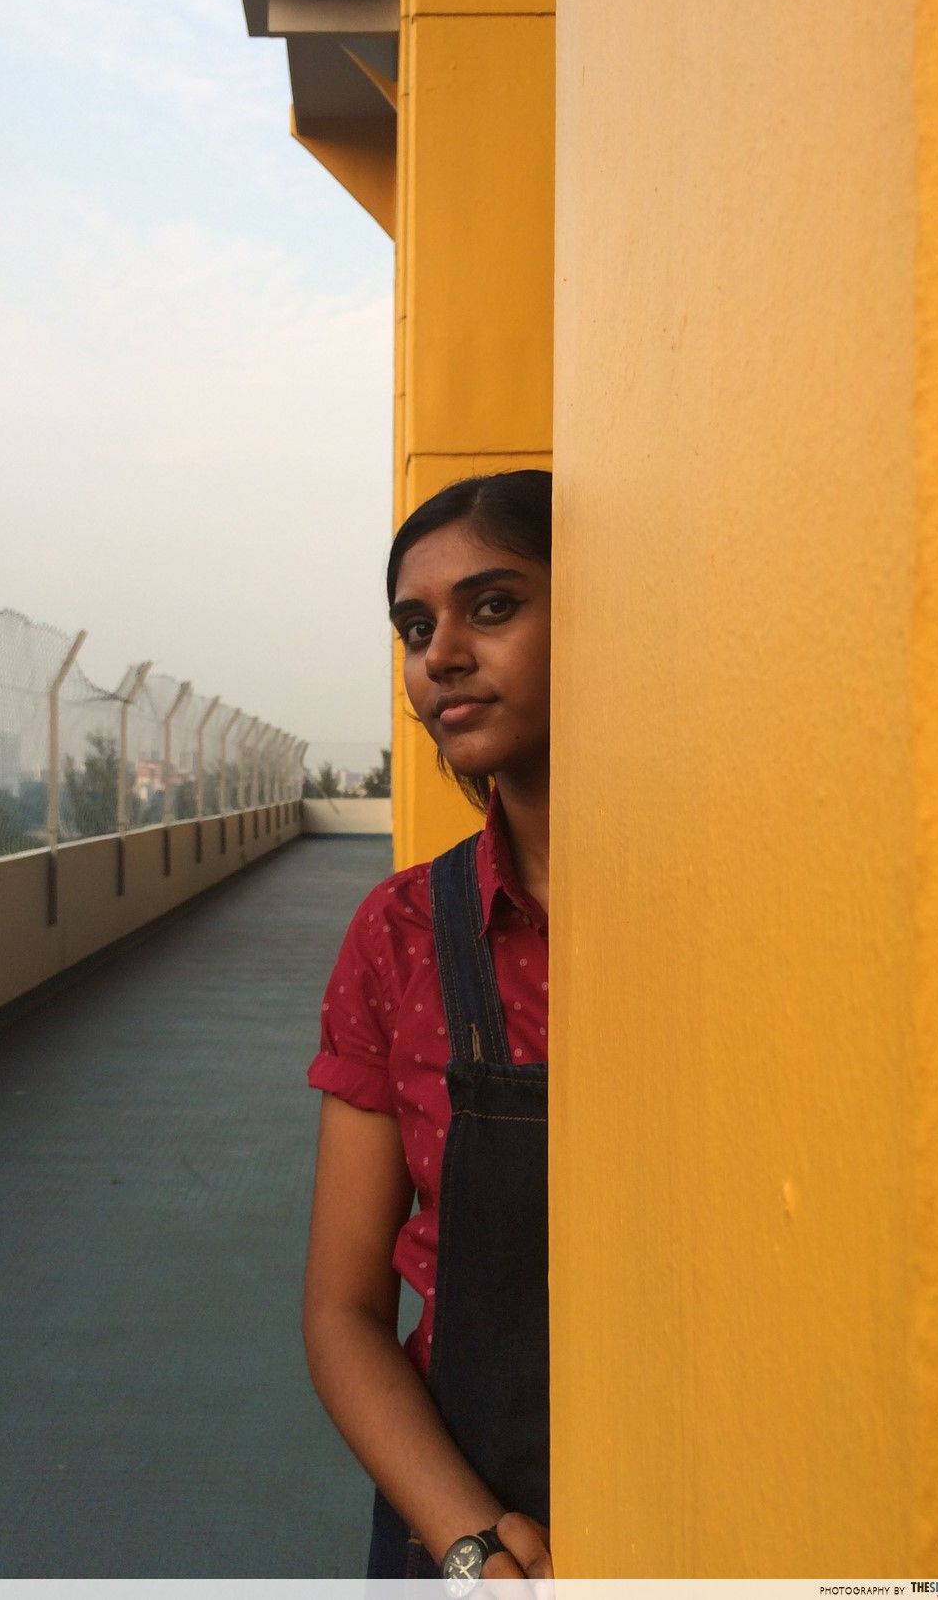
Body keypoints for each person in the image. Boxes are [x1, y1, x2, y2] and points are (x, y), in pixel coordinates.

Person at [303, 469, 553, 1586]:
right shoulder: (400, 935)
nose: (441, 654)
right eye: (415, 627)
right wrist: (470, 1545)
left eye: (492, 607)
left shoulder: (721, 919)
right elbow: (343, 1308)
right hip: (462, 1520)